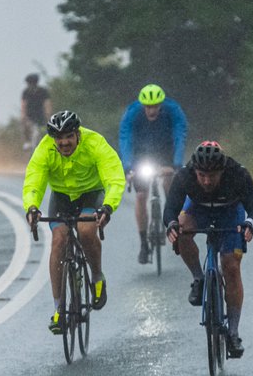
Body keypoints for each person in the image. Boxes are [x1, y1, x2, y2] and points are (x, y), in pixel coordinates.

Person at [23, 110, 126, 334]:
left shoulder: (94, 143)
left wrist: (108, 206)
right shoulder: (45, 149)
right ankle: (58, 308)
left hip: (91, 194)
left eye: (69, 136)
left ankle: (97, 277)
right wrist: (31, 206)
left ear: (77, 134)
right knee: (59, 240)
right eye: (59, 138)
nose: (64, 142)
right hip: (61, 197)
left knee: (86, 229)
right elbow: (34, 179)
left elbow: (114, 176)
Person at [163, 141, 253, 358]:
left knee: (231, 267)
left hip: (230, 213)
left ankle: (234, 332)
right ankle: (199, 278)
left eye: (213, 176)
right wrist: (171, 225)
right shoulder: (184, 176)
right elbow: (170, 208)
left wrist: (249, 223)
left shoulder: (238, 174)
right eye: (202, 175)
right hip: (198, 210)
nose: (207, 181)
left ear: (223, 171)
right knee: (181, 228)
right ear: (195, 172)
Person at [119, 84, 188, 264]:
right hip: (142, 154)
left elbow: (180, 135)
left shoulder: (173, 110)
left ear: (161, 104)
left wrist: (177, 164)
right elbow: (125, 138)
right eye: (148, 107)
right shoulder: (133, 113)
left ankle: (172, 222)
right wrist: (128, 167)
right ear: (142, 105)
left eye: (156, 106)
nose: (151, 110)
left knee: (169, 184)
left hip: (166, 152)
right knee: (141, 195)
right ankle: (143, 243)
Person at [20, 73, 52, 150]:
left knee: (46, 129)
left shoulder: (43, 91)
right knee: (25, 125)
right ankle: (27, 141)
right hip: (30, 115)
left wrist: (48, 114)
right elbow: (23, 104)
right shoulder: (26, 92)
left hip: (41, 115)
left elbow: (47, 103)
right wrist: (23, 115)